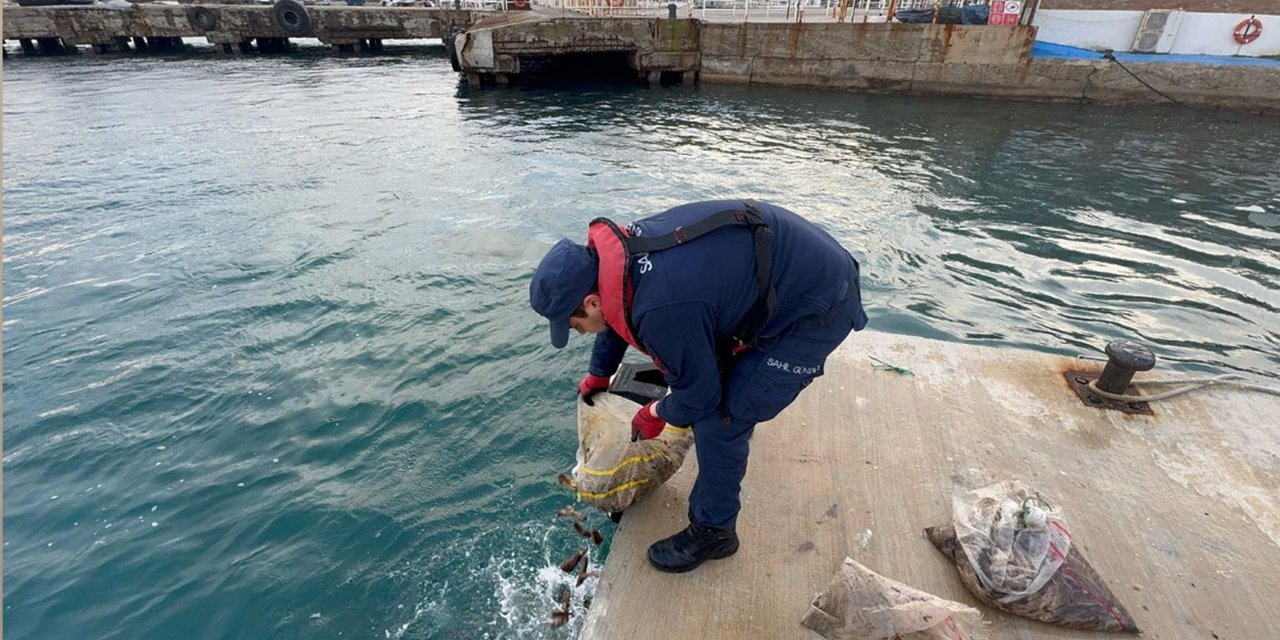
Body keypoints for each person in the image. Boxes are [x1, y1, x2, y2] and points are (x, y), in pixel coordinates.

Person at [530, 199, 868, 573]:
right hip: (786, 269)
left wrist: (654, 412)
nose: (576, 332)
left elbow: (700, 396)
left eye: (573, 324)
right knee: (720, 389)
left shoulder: (661, 308)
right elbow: (617, 315)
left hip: (818, 307)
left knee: (722, 415)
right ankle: (733, 441)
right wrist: (598, 373)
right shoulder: (622, 259)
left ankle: (715, 531)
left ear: (590, 301)